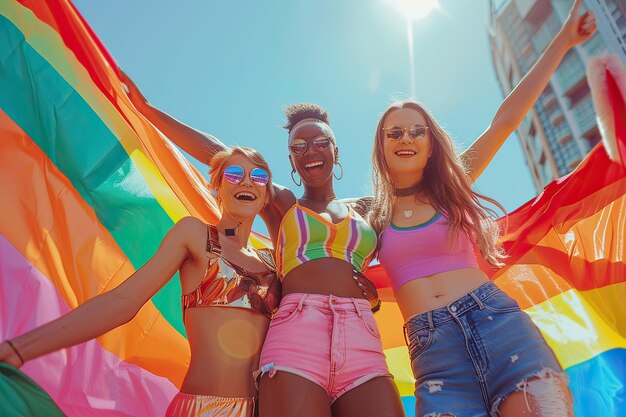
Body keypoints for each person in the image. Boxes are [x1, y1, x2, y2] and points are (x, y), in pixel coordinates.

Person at [120, 79, 405, 416]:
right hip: (298, 328)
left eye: (320, 142)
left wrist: (374, 291)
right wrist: (148, 110)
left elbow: (427, 198)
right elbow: (221, 156)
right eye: (299, 147)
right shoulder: (282, 203)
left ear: (336, 151)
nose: (310, 151)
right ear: (291, 160)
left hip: (359, 333)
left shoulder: (369, 208)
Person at [367, 1, 596, 416]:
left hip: (498, 324)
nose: (407, 138)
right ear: (381, 147)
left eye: (418, 131)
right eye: (394, 132)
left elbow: (504, 122)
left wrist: (563, 40)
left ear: (431, 142)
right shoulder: (371, 217)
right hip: (435, 353)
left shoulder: (450, 189)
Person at [0, 147, 280, 417]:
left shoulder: (275, 262)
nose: (247, 182)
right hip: (204, 409)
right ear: (217, 187)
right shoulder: (196, 234)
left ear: (266, 195)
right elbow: (124, 301)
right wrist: (18, 349)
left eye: (258, 177)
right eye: (234, 174)